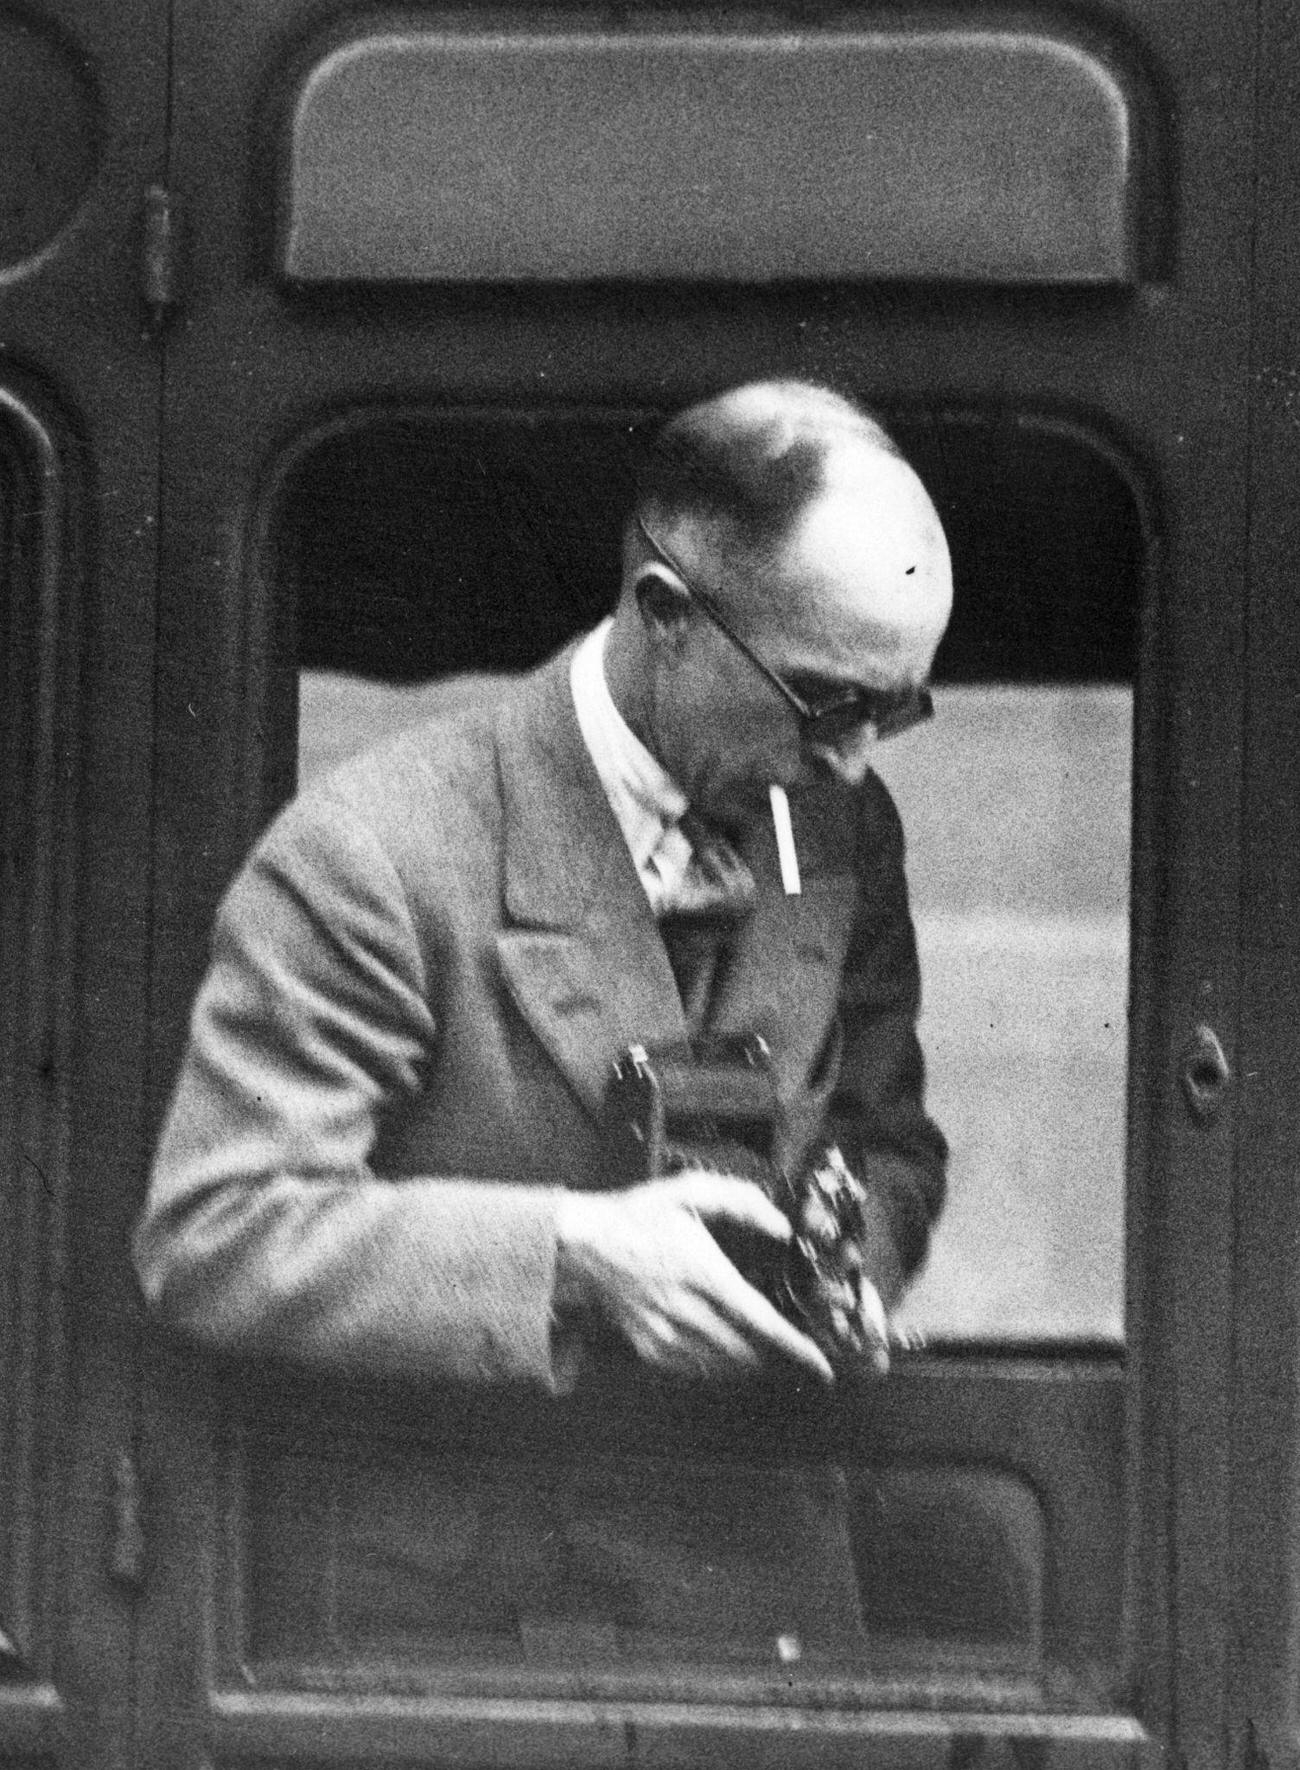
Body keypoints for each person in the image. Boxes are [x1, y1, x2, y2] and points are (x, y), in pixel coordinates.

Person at [133, 380, 952, 1662]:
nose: (853, 761)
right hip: (456, 1624)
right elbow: (216, 1234)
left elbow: (888, 1140)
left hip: (757, 1586)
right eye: (825, 702)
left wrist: (857, 1257)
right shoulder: (374, 856)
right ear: (666, 617)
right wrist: (575, 1253)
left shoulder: (835, 827)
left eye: (892, 708)